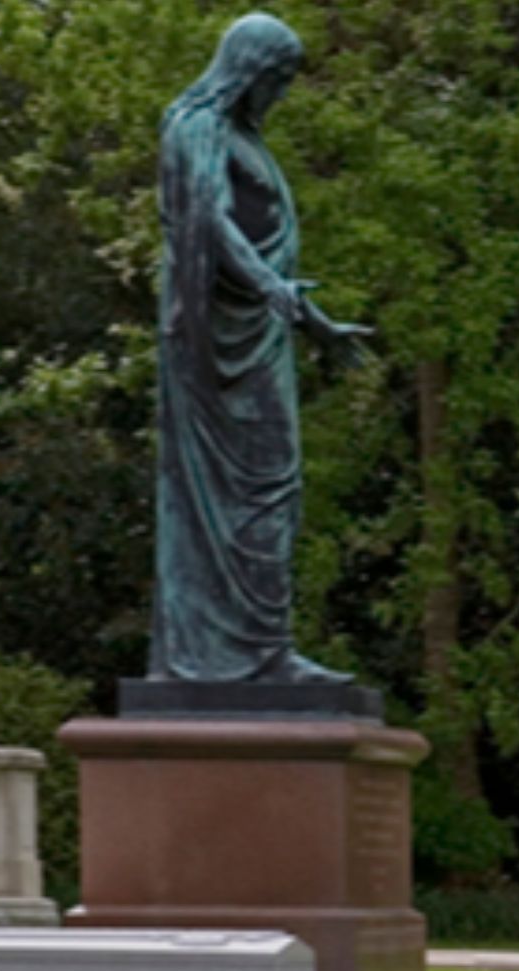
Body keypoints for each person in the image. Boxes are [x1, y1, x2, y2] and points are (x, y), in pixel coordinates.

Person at [148, 13, 368, 684]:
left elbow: (254, 242)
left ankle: (260, 649)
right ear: (248, 70)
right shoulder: (195, 126)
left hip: (259, 332)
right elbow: (207, 222)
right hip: (216, 345)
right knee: (255, 487)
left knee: (276, 488)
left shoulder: (240, 135)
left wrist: (315, 321)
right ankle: (242, 656)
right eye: (277, 79)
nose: (281, 93)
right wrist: (276, 288)